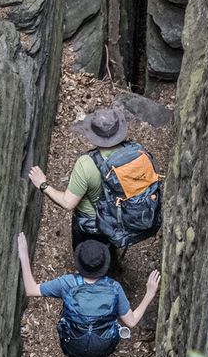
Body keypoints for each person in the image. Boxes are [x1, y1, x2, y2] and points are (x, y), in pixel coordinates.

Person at [16, 232, 160, 357]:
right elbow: (131, 322)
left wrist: (23, 255)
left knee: (74, 356)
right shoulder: (114, 288)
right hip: (103, 343)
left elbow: (31, 289)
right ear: (103, 266)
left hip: (74, 341)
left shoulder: (67, 284)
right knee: (96, 344)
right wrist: (149, 294)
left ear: (79, 264)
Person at [26, 104, 133, 253]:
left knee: (87, 252)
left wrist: (43, 185)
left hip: (92, 223)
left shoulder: (86, 165)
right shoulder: (132, 152)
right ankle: (109, 257)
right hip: (121, 215)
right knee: (108, 246)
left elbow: (68, 203)